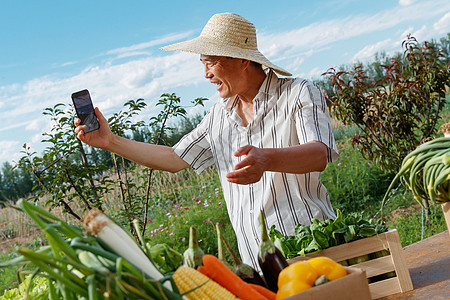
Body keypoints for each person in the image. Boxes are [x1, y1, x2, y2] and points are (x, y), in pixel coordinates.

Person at [75, 12, 339, 270]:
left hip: (312, 249)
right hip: (256, 264)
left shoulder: (298, 92)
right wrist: (110, 141)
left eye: (210, 62)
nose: (206, 74)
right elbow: (175, 158)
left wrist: (266, 159)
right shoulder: (218, 115)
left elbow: (318, 155)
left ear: (241, 59)